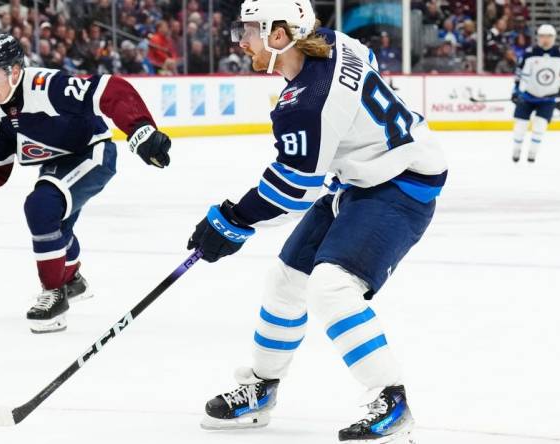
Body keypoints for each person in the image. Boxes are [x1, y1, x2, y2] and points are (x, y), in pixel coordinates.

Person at [185, 0, 447, 442]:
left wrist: (232, 220)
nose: (241, 41)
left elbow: (294, 190)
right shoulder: (330, 42)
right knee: (287, 279)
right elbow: (365, 59)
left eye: (249, 30)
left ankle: (392, 400)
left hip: (401, 184)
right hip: (364, 177)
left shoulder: (307, 102)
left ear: (280, 35)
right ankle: (261, 389)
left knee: (332, 285)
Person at [0, 34, 171, 334]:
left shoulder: (46, 86)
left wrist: (140, 129)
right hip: (57, 162)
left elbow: (110, 89)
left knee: (41, 206)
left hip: (93, 152)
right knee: (54, 224)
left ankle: (54, 293)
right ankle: (71, 279)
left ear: (15, 71)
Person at [511, 24, 560, 163]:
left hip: (548, 99)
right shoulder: (529, 53)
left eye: (549, 36)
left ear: (554, 38)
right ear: (538, 37)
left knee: (540, 126)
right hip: (528, 96)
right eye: (542, 36)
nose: (546, 39)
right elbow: (520, 74)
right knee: (520, 126)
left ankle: (532, 153)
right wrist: (516, 91)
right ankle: (516, 150)